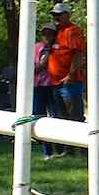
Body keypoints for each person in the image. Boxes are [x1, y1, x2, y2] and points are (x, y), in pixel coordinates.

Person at [44, 2, 86, 159]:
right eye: (53, 15)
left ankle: (83, 150)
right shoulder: (57, 32)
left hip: (69, 82)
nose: (55, 17)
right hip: (55, 83)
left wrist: (70, 75)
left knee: (75, 116)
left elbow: (78, 54)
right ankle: (68, 150)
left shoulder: (72, 31)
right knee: (62, 118)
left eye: (58, 15)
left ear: (67, 15)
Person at [32, 23, 58, 158]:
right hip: (38, 86)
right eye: (45, 33)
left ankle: (60, 149)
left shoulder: (58, 48)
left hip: (53, 86)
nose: (47, 36)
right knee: (39, 116)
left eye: (50, 33)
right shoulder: (37, 47)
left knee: (55, 117)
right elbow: (34, 67)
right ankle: (47, 151)